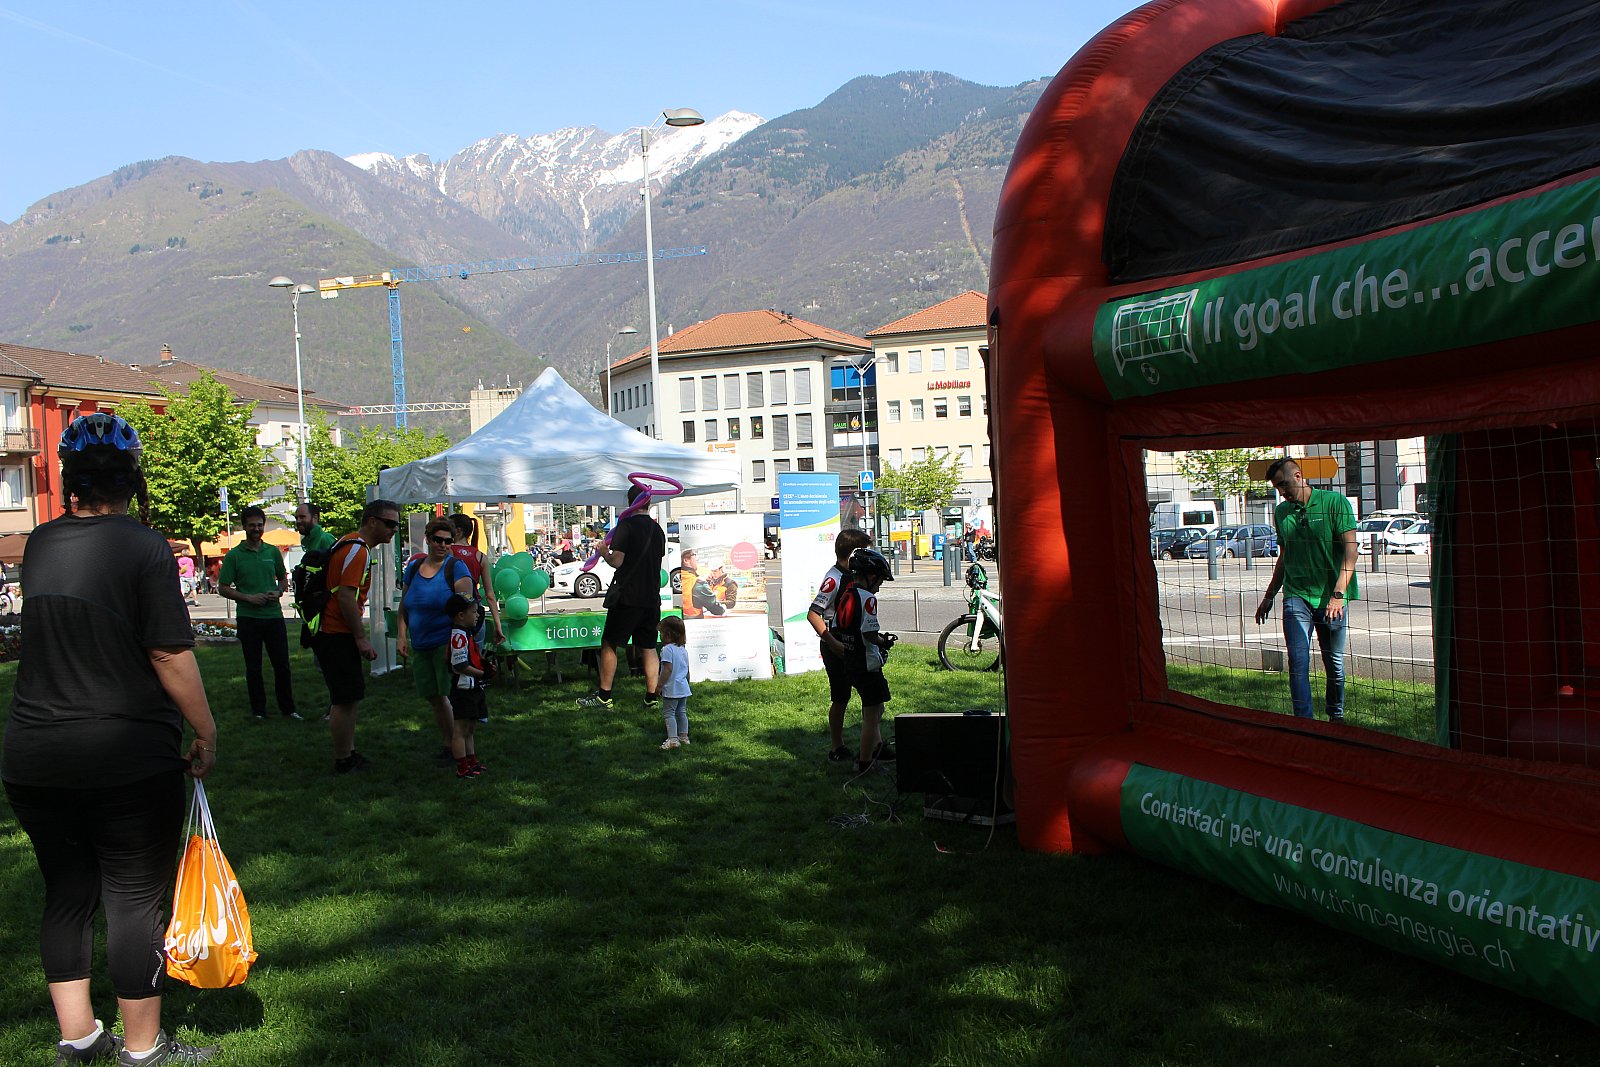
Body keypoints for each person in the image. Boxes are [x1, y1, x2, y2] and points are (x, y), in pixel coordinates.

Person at [3, 412, 220, 1066]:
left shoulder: (39, 544)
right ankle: (143, 1048)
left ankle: (79, 1037)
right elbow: (169, 653)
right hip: (125, 754)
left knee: (67, 893)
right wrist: (206, 728)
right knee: (133, 900)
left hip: (34, 754)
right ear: (132, 479)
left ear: (71, 478)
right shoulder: (145, 548)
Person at [1255, 457, 1359, 722]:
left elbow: (1351, 552)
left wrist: (1338, 595)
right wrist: (1269, 596)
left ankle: (1335, 717)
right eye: (1277, 487)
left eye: (1283, 484)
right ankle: (1304, 723)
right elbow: (1284, 557)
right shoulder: (1282, 512)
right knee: (1298, 661)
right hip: (1296, 595)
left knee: (1334, 663)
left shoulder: (1335, 503)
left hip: (1330, 597)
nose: (1281, 492)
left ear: (1299, 476)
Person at [317, 499, 401, 773]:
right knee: (344, 699)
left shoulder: (351, 544)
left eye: (396, 525)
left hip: (334, 633)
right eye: (389, 523)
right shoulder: (358, 550)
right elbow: (345, 597)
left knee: (349, 697)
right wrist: (360, 637)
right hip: (336, 634)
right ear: (372, 521)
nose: (394, 529)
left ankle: (348, 752)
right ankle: (343, 758)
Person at [577, 484, 667, 709]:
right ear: (648, 502)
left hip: (628, 597)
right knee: (648, 647)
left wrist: (603, 552)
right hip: (651, 597)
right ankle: (651, 698)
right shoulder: (657, 530)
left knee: (609, 643)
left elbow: (617, 561)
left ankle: (604, 696)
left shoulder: (626, 526)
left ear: (630, 502)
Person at [396, 519, 474, 768]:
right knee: (433, 696)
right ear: (428, 539)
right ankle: (449, 743)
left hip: (445, 644)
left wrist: (456, 646)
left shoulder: (456, 568)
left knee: (452, 696)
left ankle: (458, 748)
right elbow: (404, 604)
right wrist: (401, 635)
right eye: (438, 539)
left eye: (448, 541)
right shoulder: (414, 567)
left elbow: (467, 611)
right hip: (421, 644)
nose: (443, 545)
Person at [218, 505, 299, 721]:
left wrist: (278, 591)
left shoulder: (272, 552)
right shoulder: (234, 556)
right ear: (244, 527)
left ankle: (288, 709)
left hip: (273, 616)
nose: (256, 529)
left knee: (282, 665)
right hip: (249, 618)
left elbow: (283, 579)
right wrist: (248, 598)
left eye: (260, 525)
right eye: (252, 525)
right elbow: (223, 587)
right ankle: (259, 711)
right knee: (254, 668)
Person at [807, 527, 873, 763]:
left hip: (854, 644)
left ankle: (874, 744)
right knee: (841, 696)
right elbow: (813, 614)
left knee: (871, 695)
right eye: (865, 551)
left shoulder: (855, 574)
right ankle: (837, 747)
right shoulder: (833, 578)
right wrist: (832, 642)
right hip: (836, 645)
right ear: (854, 553)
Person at [830, 547, 898, 773]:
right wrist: (883, 641)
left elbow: (837, 627)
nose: (879, 587)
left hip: (851, 662)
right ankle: (865, 763)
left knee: (876, 709)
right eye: (879, 581)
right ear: (870, 576)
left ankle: (871, 751)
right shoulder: (868, 599)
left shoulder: (847, 594)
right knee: (871, 716)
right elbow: (869, 633)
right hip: (867, 665)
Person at [445, 593, 493, 779]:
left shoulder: (467, 633)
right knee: (460, 729)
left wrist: (483, 664)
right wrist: (482, 673)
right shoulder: (458, 636)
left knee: (470, 729)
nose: (477, 615)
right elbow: (460, 665)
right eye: (473, 612)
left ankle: (472, 761)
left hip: (473, 688)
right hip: (463, 689)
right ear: (460, 616)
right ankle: (462, 767)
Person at [446, 512, 506, 648]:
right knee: (475, 654)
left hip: (453, 613)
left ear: (458, 531)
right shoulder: (480, 556)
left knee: (453, 656)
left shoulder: (449, 552)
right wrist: (498, 625)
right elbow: (490, 595)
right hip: (475, 614)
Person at [656, 614, 692, 749]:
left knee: (669, 713)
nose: (660, 636)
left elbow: (667, 669)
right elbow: (687, 670)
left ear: (668, 634)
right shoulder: (683, 650)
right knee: (681, 712)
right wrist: (687, 683)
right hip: (683, 687)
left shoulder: (667, 650)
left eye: (661, 633)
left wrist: (659, 685)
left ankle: (672, 740)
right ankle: (684, 736)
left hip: (672, 688)